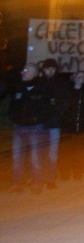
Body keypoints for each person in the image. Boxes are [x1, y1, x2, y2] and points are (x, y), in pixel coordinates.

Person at [9, 63, 47, 193]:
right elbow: (13, 106)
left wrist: (37, 119)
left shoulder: (41, 88)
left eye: (25, 70)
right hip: (19, 127)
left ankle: (37, 184)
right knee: (17, 158)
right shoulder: (19, 88)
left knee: (35, 157)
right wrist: (14, 118)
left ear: (34, 73)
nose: (22, 72)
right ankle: (17, 185)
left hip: (35, 128)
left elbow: (46, 108)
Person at [39, 58, 69, 189]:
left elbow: (65, 102)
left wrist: (57, 113)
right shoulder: (39, 83)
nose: (49, 71)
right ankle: (39, 178)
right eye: (47, 68)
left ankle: (50, 179)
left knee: (52, 153)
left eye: (52, 69)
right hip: (39, 123)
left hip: (54, 123)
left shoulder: (61, 84)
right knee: (39, 153)